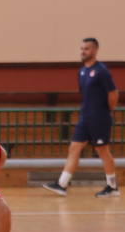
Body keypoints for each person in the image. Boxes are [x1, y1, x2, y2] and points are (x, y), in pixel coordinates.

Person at [43, 36, 120, 198]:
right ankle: (62, 184)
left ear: (95, 50)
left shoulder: (102, 71)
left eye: (87, 49)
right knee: (74, 148)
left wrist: (106, 111)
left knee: (102, 150)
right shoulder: (82, 71)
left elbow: (113, 94)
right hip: (85, 117)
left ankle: (112, 187)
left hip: (99, 117)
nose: (83, 52)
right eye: (82, 49)